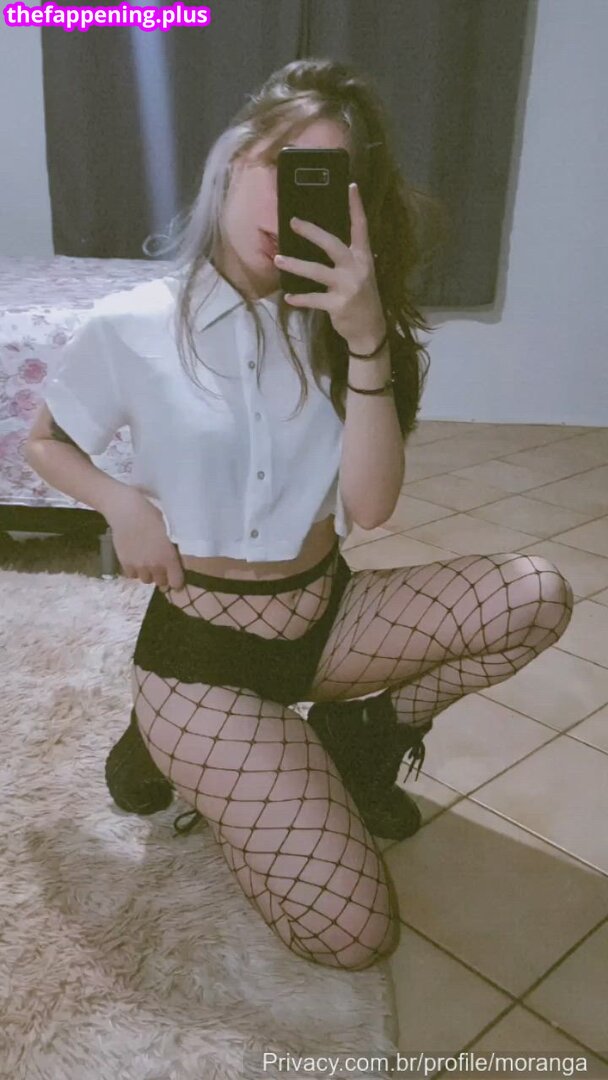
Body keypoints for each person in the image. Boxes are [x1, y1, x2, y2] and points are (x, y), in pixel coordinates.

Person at [26, 59, 574, 972]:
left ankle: (360, 735)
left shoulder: (353, 329)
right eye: (280, 164)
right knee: (351, 934)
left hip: (325, 619)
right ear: (233, 158)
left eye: (322, 179)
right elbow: (45, 442)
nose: (287, 199)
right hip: (203, 656)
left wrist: (366, 341)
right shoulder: (133, 323)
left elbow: (371, 507)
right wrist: (120, 502)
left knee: (535, 595)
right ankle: (167, 740)